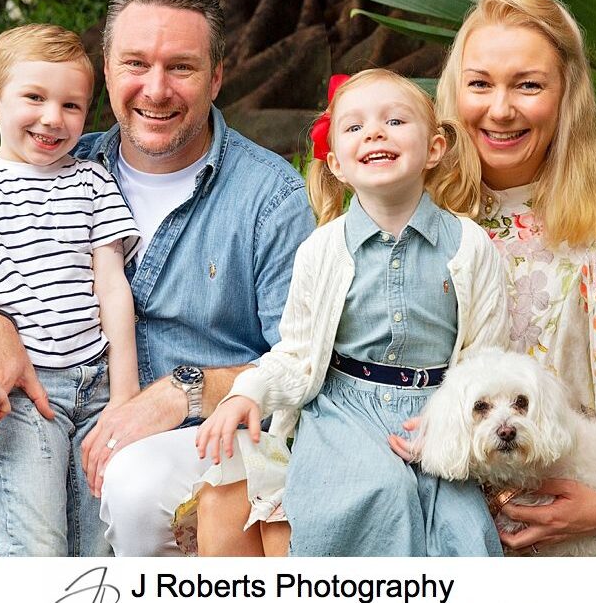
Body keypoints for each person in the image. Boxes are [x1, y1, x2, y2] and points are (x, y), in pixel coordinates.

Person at [0, 0, 316, 557]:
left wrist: (181, 390)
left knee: (131, 483)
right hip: (48, 415)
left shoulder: (269, 196)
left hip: (195, 440)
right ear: (107, 70)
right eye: (136, 63)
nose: (155, 89)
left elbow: (304, 363)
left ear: (216, 79)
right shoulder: (61, 164)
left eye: (180, 67)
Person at [392, 0, 596, 556]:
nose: (501, 109)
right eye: (480, 84)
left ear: (567, 98)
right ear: (452, 93)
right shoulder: (402, 230)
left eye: (528, 85)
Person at [191, 69, 511, 556]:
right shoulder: (322, 251)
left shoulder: (469, 246)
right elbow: (297, 353)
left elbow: (485, 357)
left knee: (462, 532)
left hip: (437, 414)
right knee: (382, 493)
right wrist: (248, 392)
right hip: (346, 413)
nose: (375, 133)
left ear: (435, 148)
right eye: (355, 127)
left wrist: (450, 422)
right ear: (337, 163)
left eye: (395, 120)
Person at [0, 23, 141, 556]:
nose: (53, 118)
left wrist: (125, 397)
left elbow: (112, 288)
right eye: (35, 98)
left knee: (98, 542)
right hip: (26, 394)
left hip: (96, 386)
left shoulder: (92, 181)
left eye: (72, 105)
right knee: (37, 542)